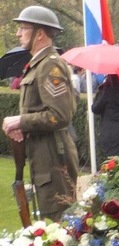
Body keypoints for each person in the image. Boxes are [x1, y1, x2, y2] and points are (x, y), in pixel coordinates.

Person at [2, 5, 79, 222]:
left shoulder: (49, 66)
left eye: (23, 28)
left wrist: (21, 120)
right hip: (45, 155)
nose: (18, 33)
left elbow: (59, 114)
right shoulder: (38, 64)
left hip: (55, 157)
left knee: (62, 224)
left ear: (40, 34)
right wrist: (22, 127)